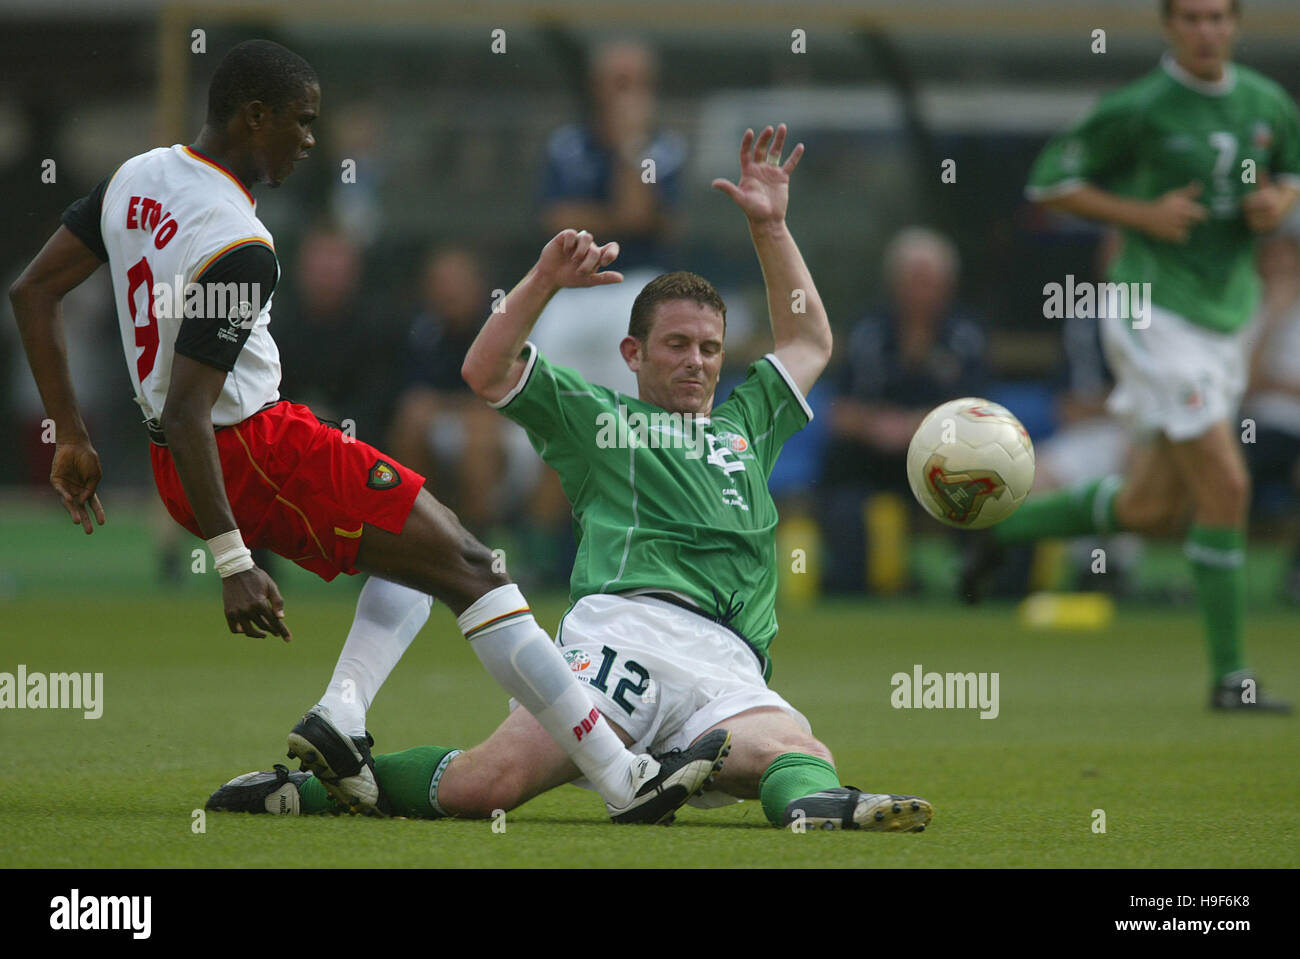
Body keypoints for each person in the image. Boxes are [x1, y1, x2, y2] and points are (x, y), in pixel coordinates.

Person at [7, 38, 729, 825]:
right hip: (250, 447)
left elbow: (31, 291)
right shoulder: (240, 245)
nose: (311, 140)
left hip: (190, 459)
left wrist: (72, 435)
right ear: (255, 118)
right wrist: (233, 560)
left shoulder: (134, 178)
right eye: (301, 122)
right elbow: (190, 406)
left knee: (427, 550)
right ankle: (622, 774)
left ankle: (340, 718)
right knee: (472, 566)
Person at [209, 125, 934, 832]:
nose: (696, 360)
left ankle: (822, 809)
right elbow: (484, 371)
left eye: (710, 347)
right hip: (623, 634)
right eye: (676, 343)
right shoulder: (599, 420)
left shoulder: (750, 423)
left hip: (727, 662)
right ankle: (318, 788)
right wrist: (545, 281)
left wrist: (771, 225)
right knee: (486, 784)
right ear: (633, 352)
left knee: (801, 753)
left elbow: (808, 339)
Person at [962, 0, 1298, 711]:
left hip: (1226, 318)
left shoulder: (1267, 102)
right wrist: (1141, 215)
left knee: (1153, 507)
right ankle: (1230, 679)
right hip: (1152, 310)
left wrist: (1278, 199)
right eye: (1192, 18)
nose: (1207, 31)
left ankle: (999, 526)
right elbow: (1052, 180)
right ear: (1169, 26)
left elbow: (1289, 173)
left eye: (1219, 18)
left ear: (1236, 24)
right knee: (1228, 488)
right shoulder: (1140, 108)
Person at [821, 227, 986, 593]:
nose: (921, 292)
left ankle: (979, 586)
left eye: (930, 282)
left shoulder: (967, 334)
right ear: (894, 283)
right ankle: (851, 588)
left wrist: (916, 426)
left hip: (943, 460)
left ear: (948, 286)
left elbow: (982, 414)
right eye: (913, 281)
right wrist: (876, 426)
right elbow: (839, 412)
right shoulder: (867, 331)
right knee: (839, 473)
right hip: (874, 455)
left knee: (987, 469)